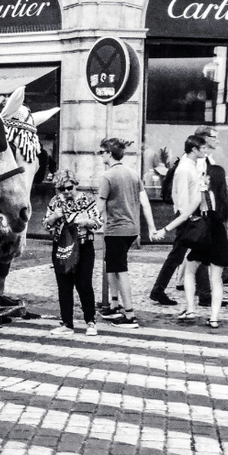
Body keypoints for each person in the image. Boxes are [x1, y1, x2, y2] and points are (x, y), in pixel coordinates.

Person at [152, 134, 228, 327]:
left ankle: (191, 306)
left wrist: (165, 228)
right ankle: (213, 317)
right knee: (217, 278)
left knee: (188, 268)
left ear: (209, 178)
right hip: (217, 234)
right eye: (203, 148)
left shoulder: (202, 193)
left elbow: (185, 210)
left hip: (200, 228)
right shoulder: (224, 198)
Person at [96, 137, 158, 328]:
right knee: (112, 266)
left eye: (101, 152)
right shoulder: (133, 174)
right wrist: (151, 227)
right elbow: (145, 203)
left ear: (108, 153)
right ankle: (114, 305)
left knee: (120, 269)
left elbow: (98, 207)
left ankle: (129, 315)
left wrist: (84, 222)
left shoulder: (107, 176)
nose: (100, 155)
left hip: (116, 229)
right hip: (132, 229)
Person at [150, 131, 213, 306]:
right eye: (202, 148)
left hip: (189, 216)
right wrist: (189, 218)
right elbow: (183, 197)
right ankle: (159, 290)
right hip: (188, 217)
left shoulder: (190, 165)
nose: (205, 151)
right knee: (180, 256)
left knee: (194, 254)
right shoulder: (185, 169)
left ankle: (205, 295)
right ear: (193, 149)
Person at [43, 170, 103, 335]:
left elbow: (98, 222)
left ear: (76, 184)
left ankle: (90, 322)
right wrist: (54, 217)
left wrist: (85, 221)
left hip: (83, 247)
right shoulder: (55, 202)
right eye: (62, 189)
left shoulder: (86, 199)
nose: (67, 192)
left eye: (69, 187)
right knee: (64, 285)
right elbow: (45, 224)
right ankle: (67, 324)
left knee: (84, 284)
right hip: (61, 247)